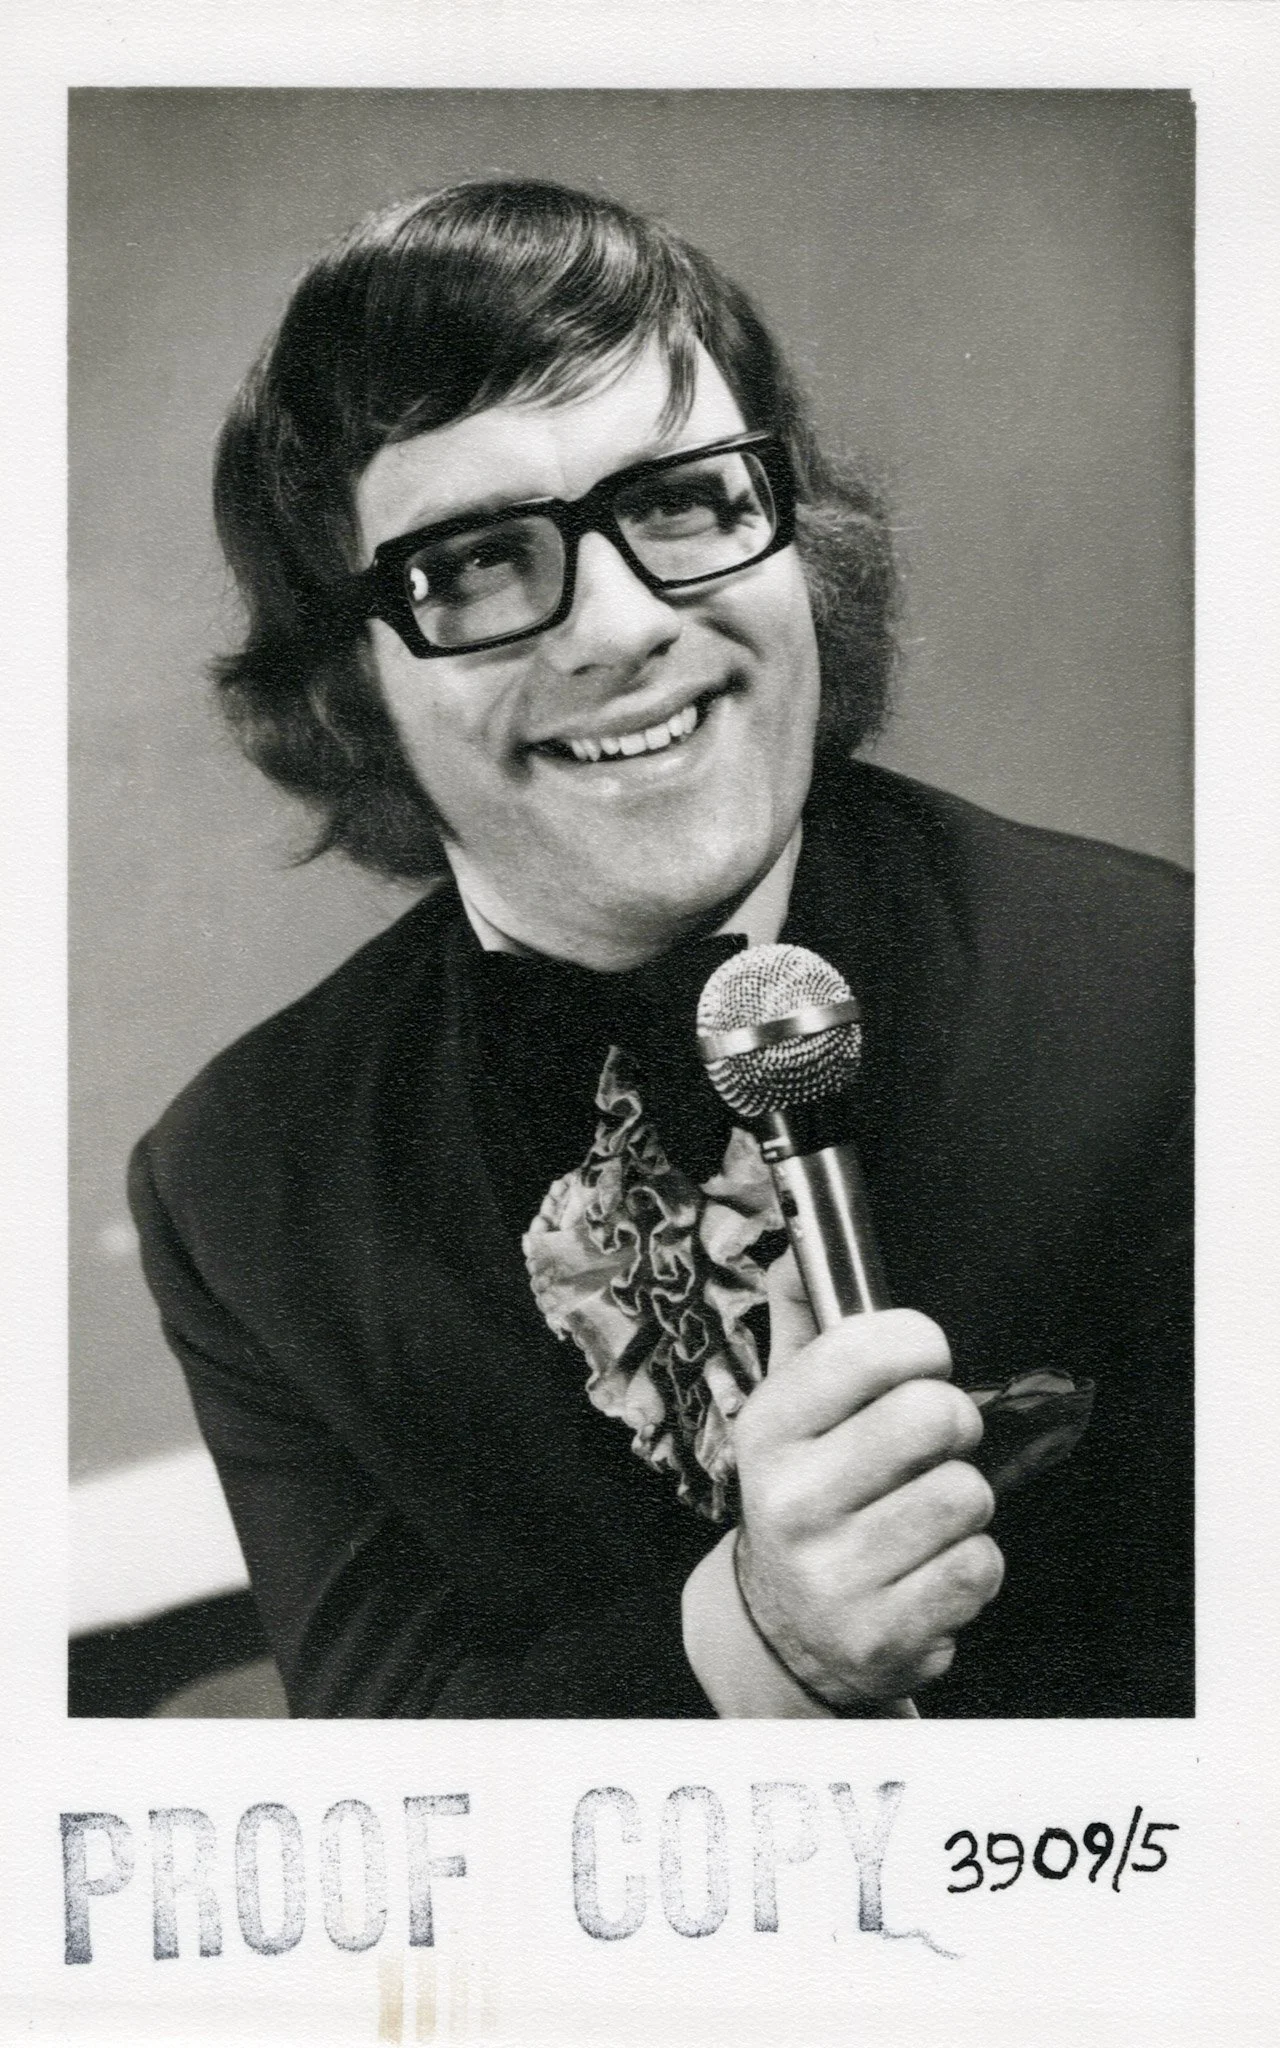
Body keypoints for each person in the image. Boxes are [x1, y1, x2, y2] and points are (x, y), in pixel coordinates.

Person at [128, 177, 1192, 1719]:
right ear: (348, 686)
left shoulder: (1186, 999)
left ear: (798, 544)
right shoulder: (242, 1186)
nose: (622, 625)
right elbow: (399, 1778)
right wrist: (754, 1642)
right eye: (475, 562)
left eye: (683, 501)